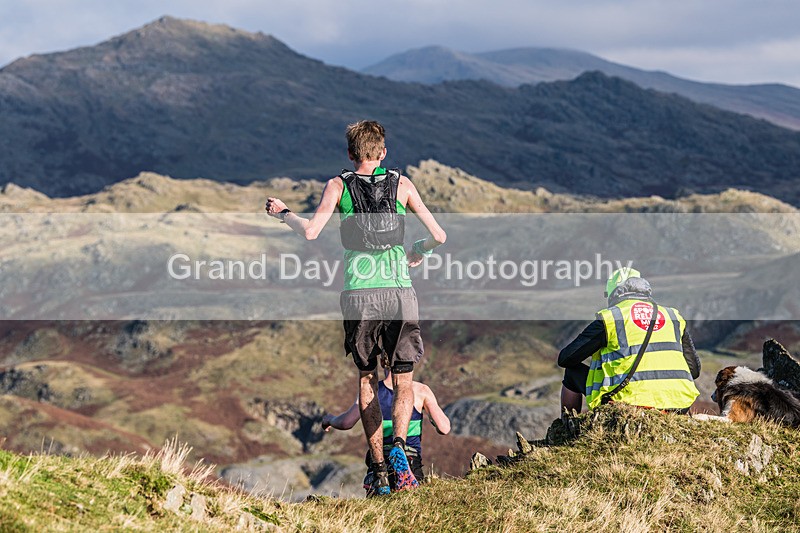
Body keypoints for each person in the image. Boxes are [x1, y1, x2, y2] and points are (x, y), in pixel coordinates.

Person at [265, 120, 446, 495]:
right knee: (403, 380)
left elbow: (311, 231)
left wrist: (283, 212)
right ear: (382, 153)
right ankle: (401, 448)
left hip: (359, 294)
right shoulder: (403, 185)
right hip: (398, 292)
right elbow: (440, 236)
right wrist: (418, 251)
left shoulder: (337, 185)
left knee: (367, 379)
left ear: (350, 154)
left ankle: (378, 469)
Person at [558, 267, 700, 414]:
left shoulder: (611, 317)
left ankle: (568, 429)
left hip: (629, 402)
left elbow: (566, 359)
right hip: (678, 405)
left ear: (614, 294)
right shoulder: (673, 316)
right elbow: (694, 370)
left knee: (572, 373)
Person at [321, 354, 451, 495]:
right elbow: (444, 428)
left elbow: (346, 422)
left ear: (382, 362)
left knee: (380, 513)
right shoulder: (420, 390)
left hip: (379, 462)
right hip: (410, 461)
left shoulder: (370, 391)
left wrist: (330, 419)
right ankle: (400, 454)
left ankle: (382, 477)